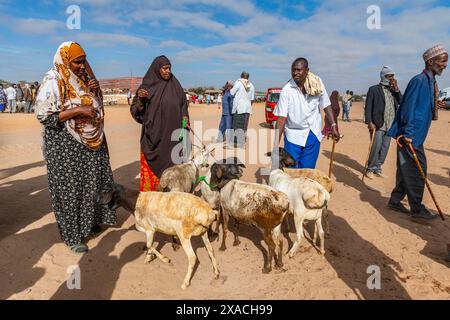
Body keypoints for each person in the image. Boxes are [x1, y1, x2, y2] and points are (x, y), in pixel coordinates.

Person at [34, 41, 116, 253]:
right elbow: (44, 116)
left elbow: (95, 106)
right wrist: (78, 110)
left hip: (90, 142)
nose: (82, 66)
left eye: (83, 61)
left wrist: (95, 92)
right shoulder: (53, 80)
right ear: (65, 60)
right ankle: (72, 236)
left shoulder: (82, 80)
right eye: (77, 62)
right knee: (70, 190)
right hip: (64, 145)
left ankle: (87, 225)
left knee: (91, 185)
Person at [387, 44, 448, 220]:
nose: (445, 65)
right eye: (443, 61)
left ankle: (395, 201)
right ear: (431, 61)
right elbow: (408, 108)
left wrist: (435, 105)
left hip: (415, 136)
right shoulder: (419, 81)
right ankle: (417, 209)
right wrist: (408, 134)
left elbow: (421, 106)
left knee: (407, 168)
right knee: (416, 171)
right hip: (410, 137)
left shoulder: (431, 82)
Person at [130, 55, 190, 192]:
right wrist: (140, 100)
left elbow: (183, 104)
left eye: (169, 68)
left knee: (174, 168)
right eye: (165, 68)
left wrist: (185, 116)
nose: (168, 71)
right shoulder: (146, 87)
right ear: (157, 69)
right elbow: (136, 112)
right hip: (154, 137)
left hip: (173, 137)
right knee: (152, 179)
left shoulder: (175, 84)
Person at [273, 57, 341, 169]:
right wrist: (276, 145)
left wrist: (333, 125)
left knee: (308, 170)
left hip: (312, 133)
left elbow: (326, 104)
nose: (295, 73)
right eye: (293, 70)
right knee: (291, 171)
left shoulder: (317, 83)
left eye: (298, 70)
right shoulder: (287, 90)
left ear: (307, 70)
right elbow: (281, 119)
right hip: (293, 136)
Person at [364, 66, 403, 179]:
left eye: (392, 76)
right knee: (376, 147)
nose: (391, 78)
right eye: (389, 76)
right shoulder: (374, 89)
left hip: (390, 124)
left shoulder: (393, 90)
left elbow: (401, 101)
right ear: (383, 76)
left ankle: (378, 168)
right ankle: (370, 168)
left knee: (385, 148)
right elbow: (368, 107)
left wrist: (396, 89)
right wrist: (369, 122)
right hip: (378, 124)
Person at [230, 71, 255, 148]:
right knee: (244, 126)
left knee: (236, 125)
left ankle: (234, 142)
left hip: (239, 107)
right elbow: (252, 99)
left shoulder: (238, 83)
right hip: (247, 108)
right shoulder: (251, 85)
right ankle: (241, 143)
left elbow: (231, 92)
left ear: (241, 76)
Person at [216, 81, 234, 145]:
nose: (225, 86)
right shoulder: (225, 92)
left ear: (230, 86)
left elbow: (231, 104)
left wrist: (232, 112)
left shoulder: (231, 93)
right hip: (224, 113)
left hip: (229, 113)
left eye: (227, 84)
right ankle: (220, 138)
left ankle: (230, 141)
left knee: (229, 127)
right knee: (221, 126)